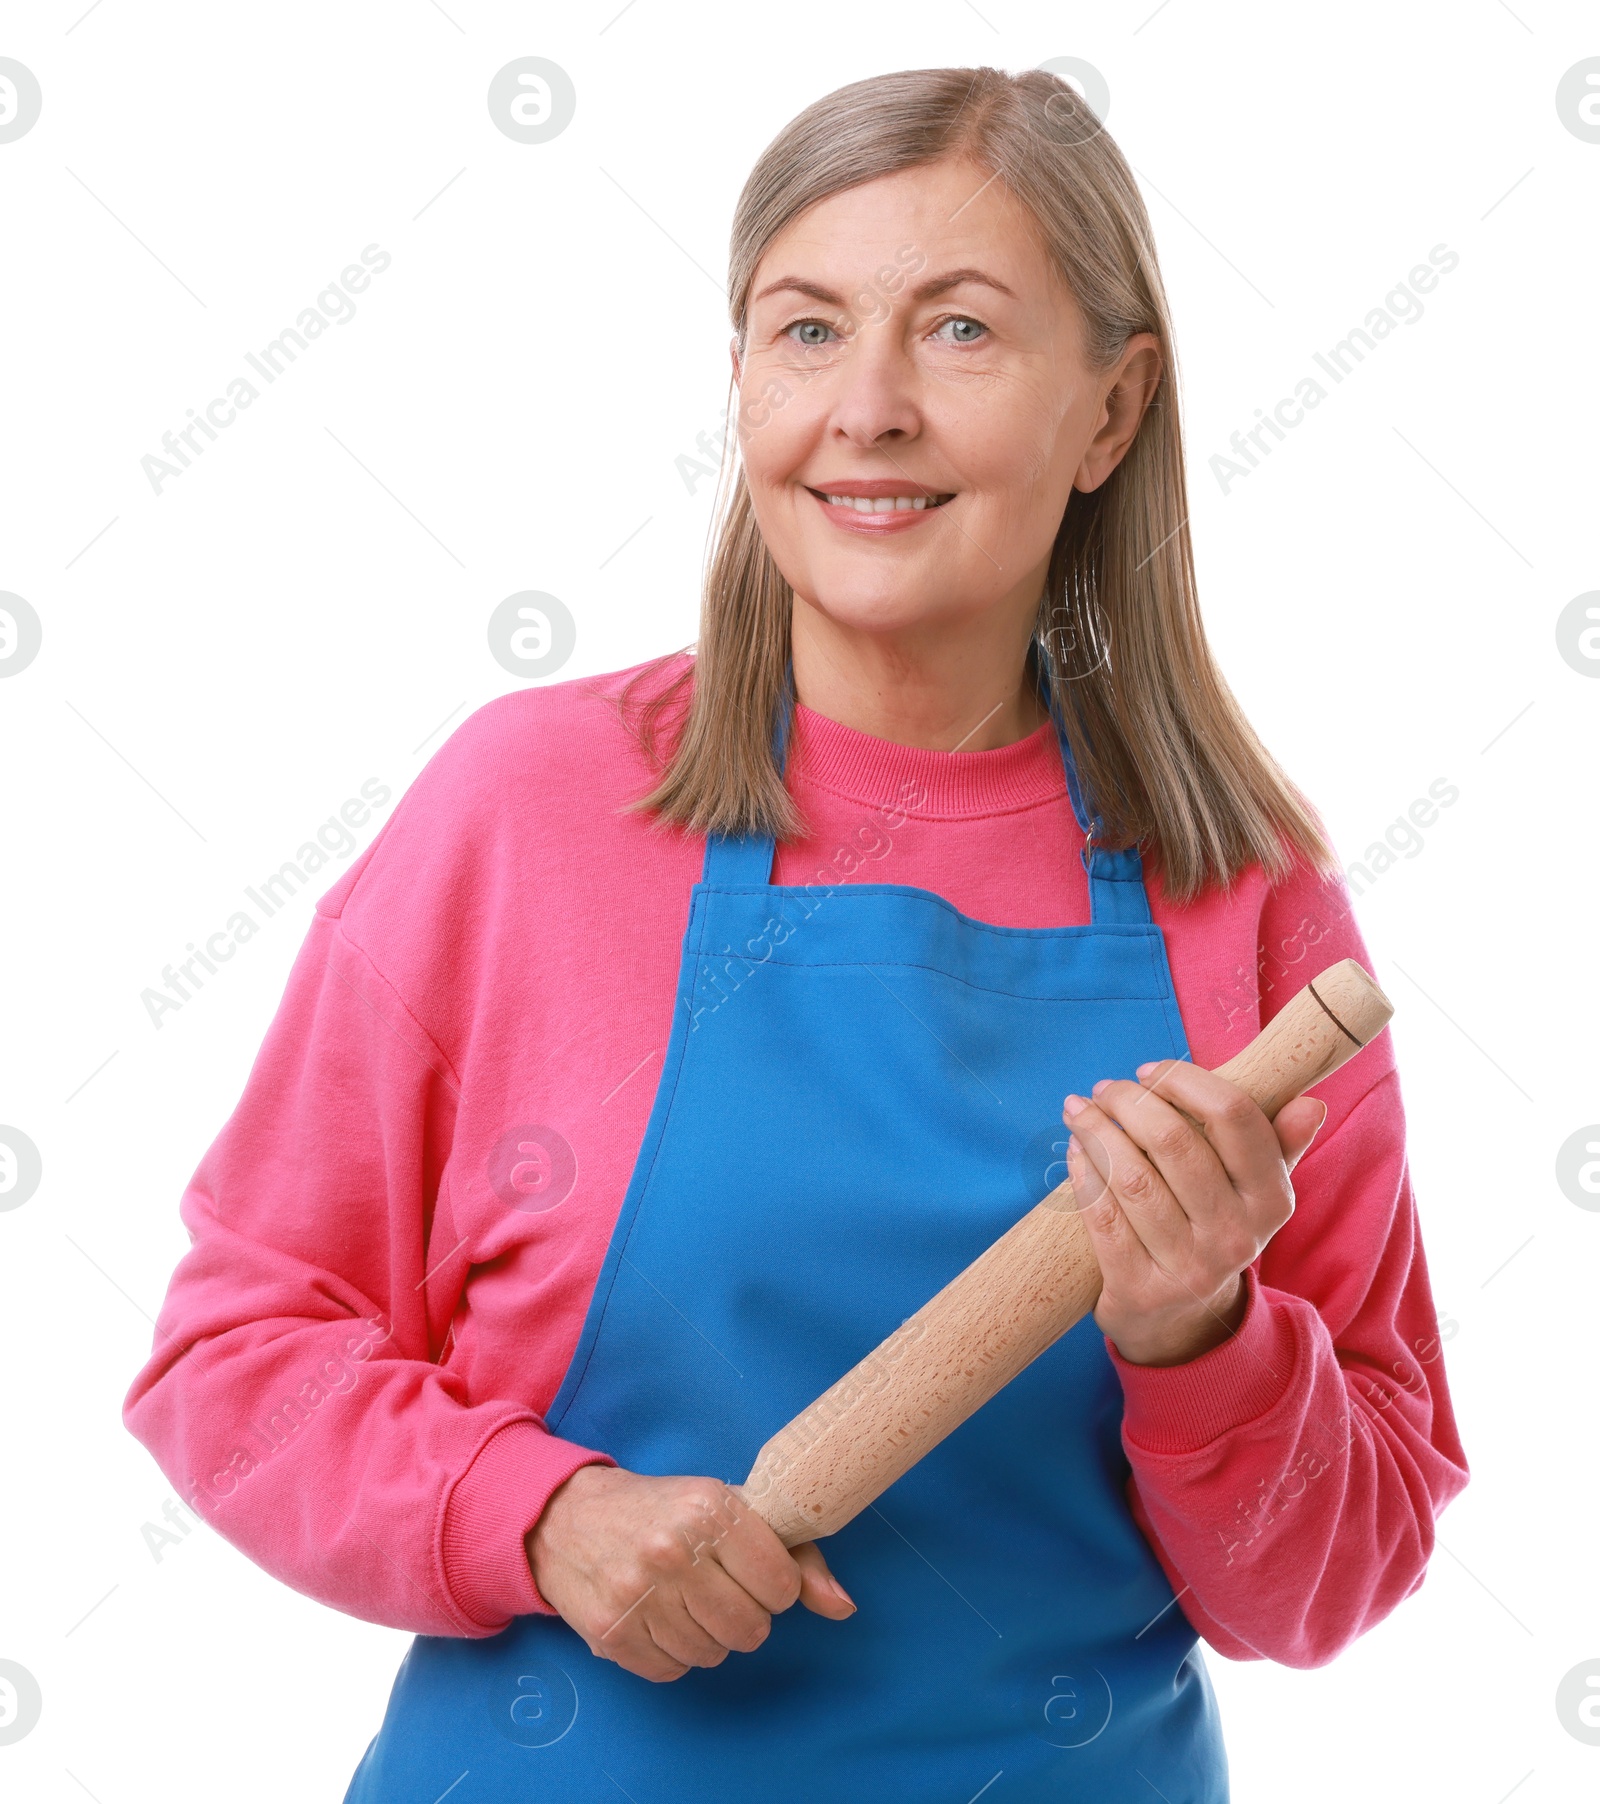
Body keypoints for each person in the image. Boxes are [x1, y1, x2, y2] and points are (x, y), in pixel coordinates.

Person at [123, 64, 1469, 1802]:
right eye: (809, 330)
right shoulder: (532, 810)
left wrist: (1198, 1333)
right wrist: (540, 1516)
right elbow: (240, 1352)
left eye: (963, 331)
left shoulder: (1244, 890)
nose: (872, 409)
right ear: (742, 383)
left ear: (1113, 412)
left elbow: (1328, 1584)